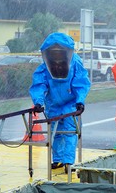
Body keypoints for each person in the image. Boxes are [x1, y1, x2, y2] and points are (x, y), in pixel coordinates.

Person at [29, 32, 91, 171]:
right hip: (53, 103)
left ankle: (69, 161)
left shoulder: (75, 63)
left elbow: (81, 83)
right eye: (53, 53)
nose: (57, 57)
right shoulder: (45, 66)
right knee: (55, 132)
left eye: (59, 53)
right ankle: (58, 160)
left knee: (70, 131)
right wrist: (38, 102)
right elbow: (39, 84)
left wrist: (80, 101)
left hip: (71, 102)